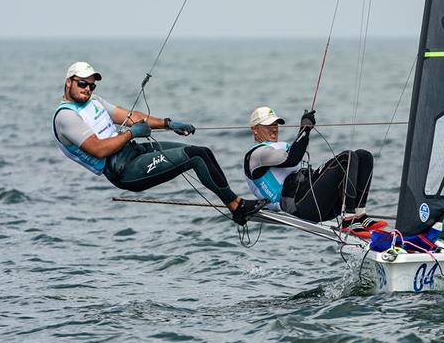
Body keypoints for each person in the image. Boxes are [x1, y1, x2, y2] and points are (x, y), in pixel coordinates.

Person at [52, 62, 264, 225]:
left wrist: (168, 123)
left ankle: (235, 204)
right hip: (122, 170)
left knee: (203, 152)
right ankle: (237, 206)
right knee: (196, 158)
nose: (87, 89)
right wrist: (130, 134)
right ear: (69, 82)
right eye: (82, 83)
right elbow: (98, 150)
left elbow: (130, 115)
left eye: (91, 85)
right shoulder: (66, 117)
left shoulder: (94, 101)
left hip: (132, 151)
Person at [243, 106, 386, 233]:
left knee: (363, 156)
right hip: (301, 207)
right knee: (347, 158)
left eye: (276, 124)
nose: (274, 128)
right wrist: (305, 129)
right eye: (268, 125)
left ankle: (359, 215)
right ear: (255, 129)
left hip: (317, 201)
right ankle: (348, 220)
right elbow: (292, 159)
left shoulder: (279, 147)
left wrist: (304, 131)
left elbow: (294, 155)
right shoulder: (257, 155)